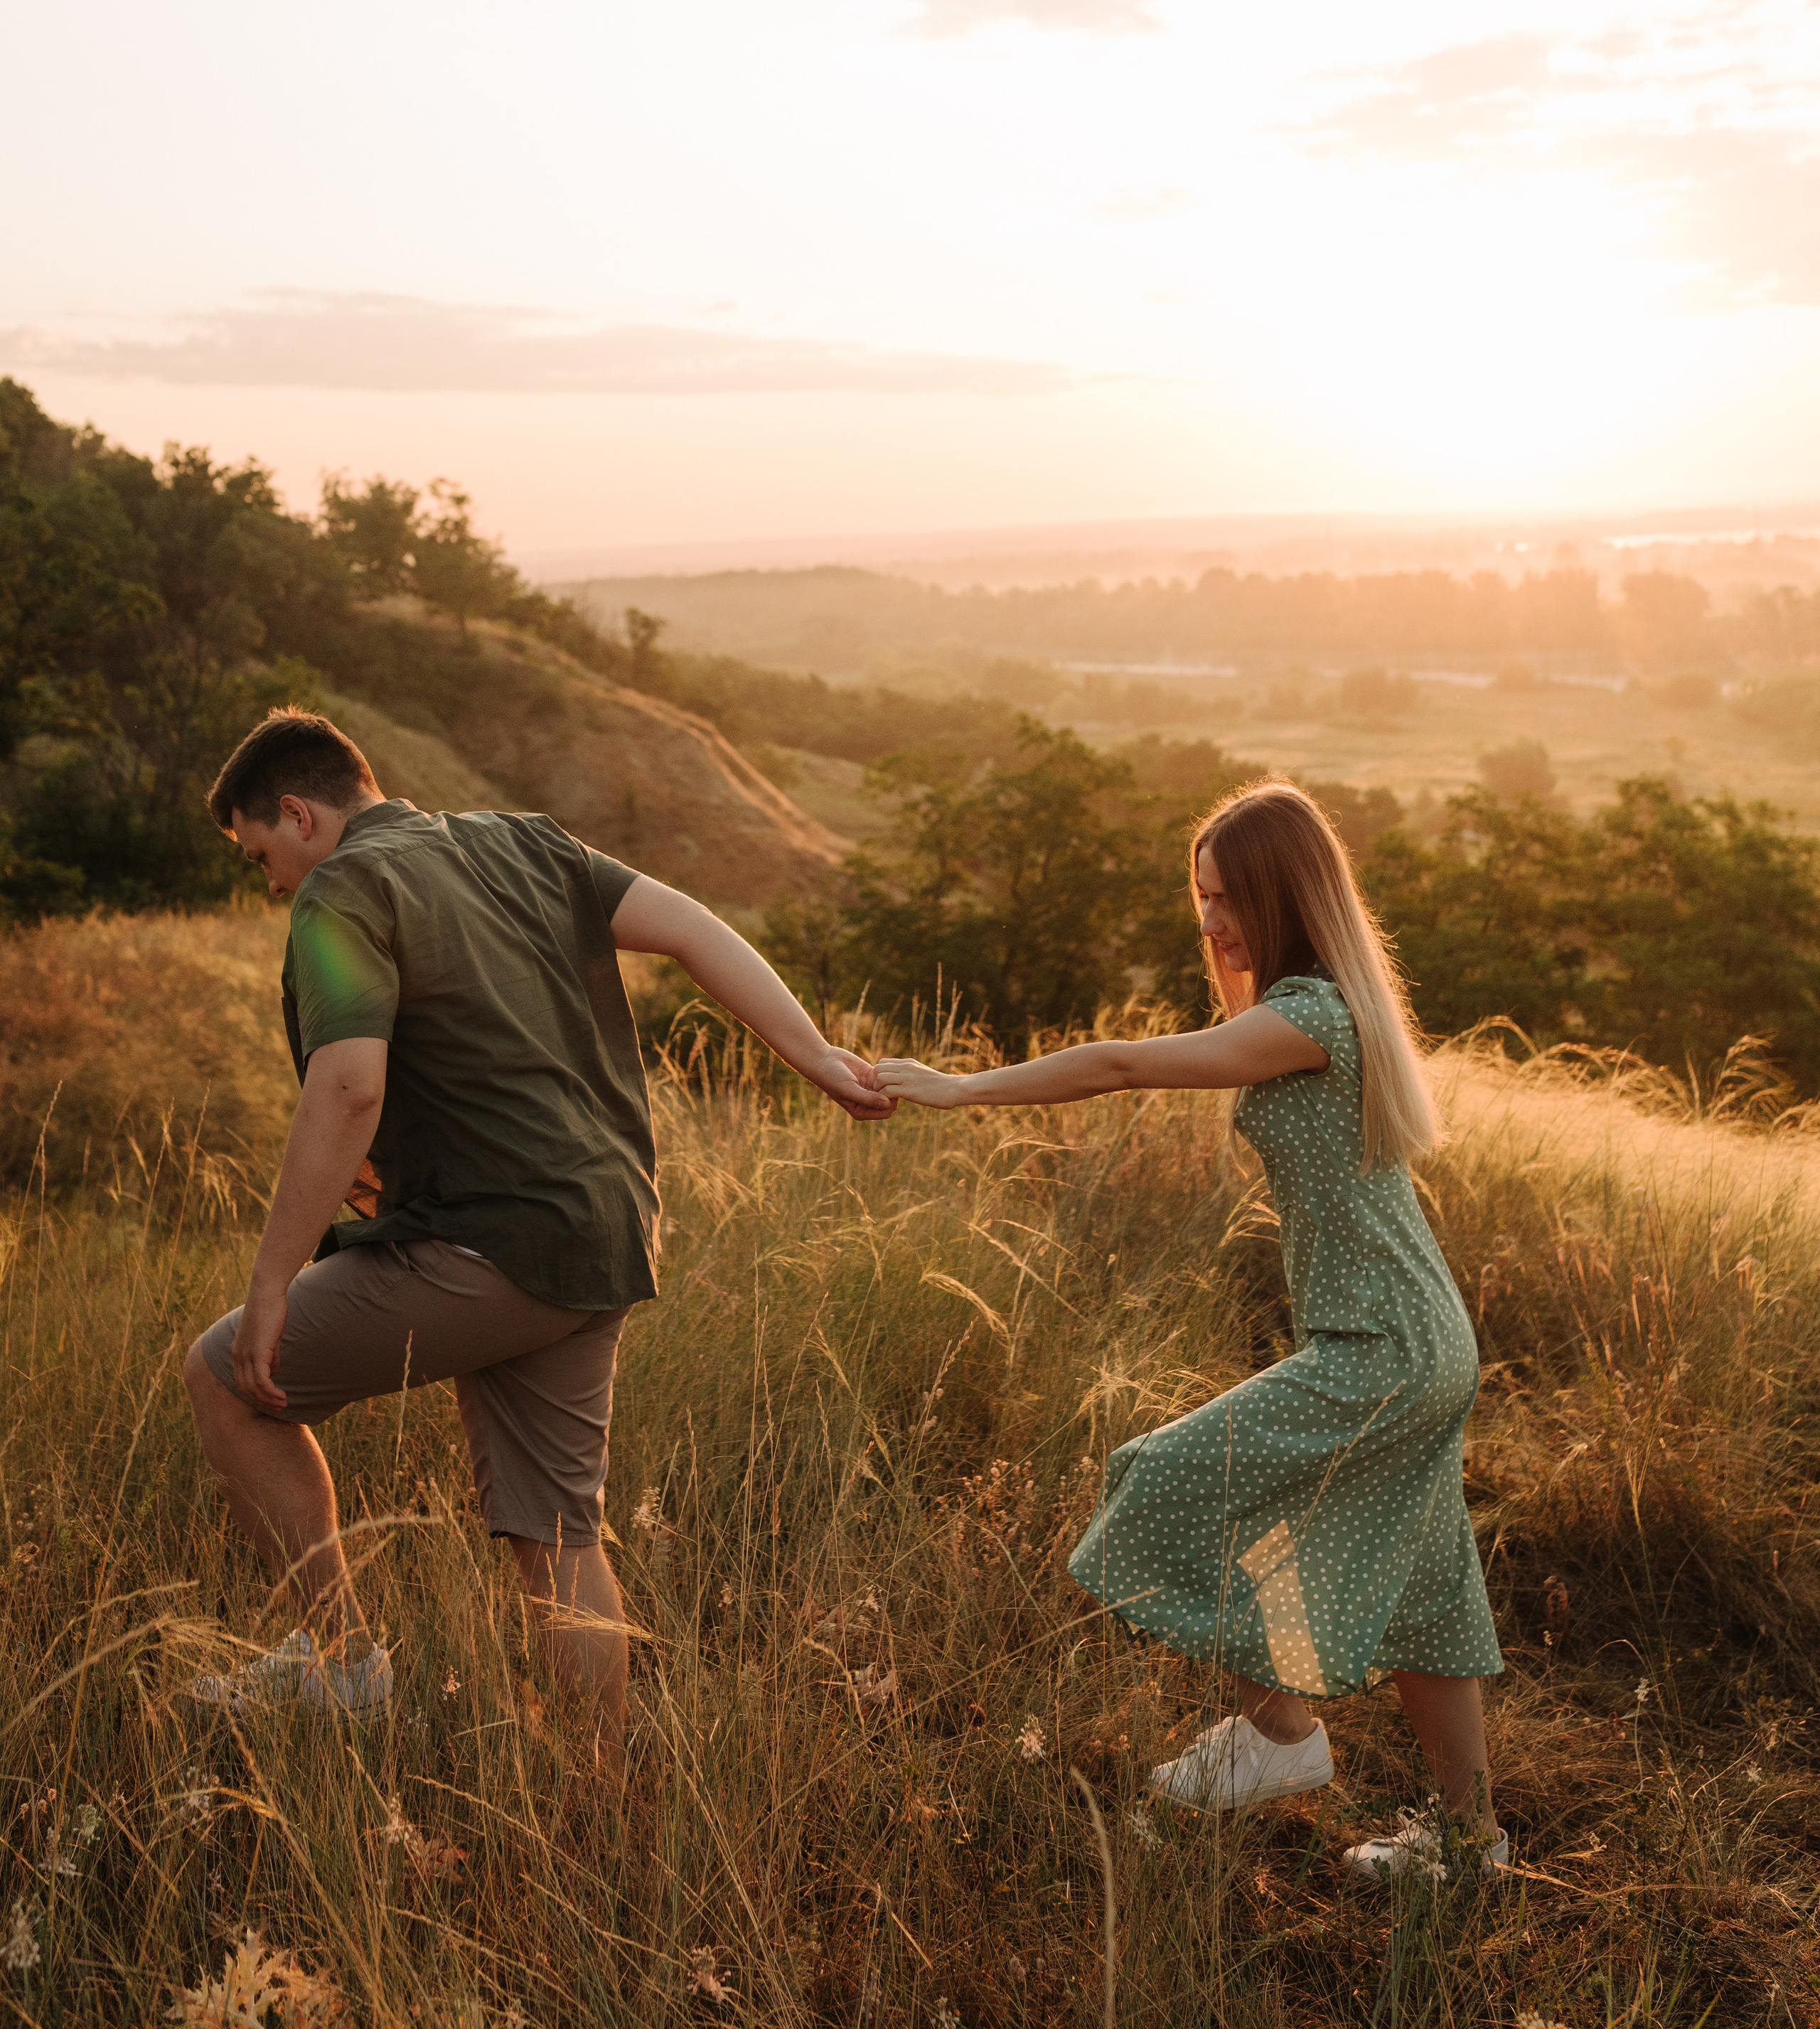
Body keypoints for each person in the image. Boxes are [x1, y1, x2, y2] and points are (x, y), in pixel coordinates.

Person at [183, 707, 888, 1748]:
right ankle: (599, 1793)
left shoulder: (345, 888)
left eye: (263, 858)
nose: (275, 884)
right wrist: (816, 1054)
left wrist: (274, 1282)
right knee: (560, 1532)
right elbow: (694, 928)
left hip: (491, 1243)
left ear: (300, 815)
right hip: (605, 1233)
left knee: (225, 1378)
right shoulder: (526, 840)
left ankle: (342, 1664)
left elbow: (346, 1090)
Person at [877, 778, 1506, 1885]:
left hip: (1384, 1347)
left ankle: (1280, 1738)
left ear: (1285, 895)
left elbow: (1121, 1065)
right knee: (1428, 1592)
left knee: (1158, 1483)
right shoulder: (1329, 1008)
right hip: (1420, 1336)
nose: (1209, 919)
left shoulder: (1309, 1016)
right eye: (1202, 896)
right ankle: (1473, 1846)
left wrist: (956, 1089)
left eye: (1229, 898)